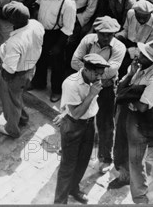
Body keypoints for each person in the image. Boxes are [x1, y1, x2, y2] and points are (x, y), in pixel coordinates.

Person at [109, 40, 153, 204]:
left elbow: (142, 107)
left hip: (141, 119)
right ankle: (124, 177)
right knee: (120, 145)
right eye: (141, 53)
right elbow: (119, 89)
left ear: (152, 61)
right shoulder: (136, 68)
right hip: (126, 111)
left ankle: (140, 196)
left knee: (136, 158)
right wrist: (130, 75)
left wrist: (129, 96)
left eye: (143, 55)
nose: (139, 56)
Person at [53, 54, 110, 204]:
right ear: (86, 69)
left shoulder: (93, 80)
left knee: (83, 160)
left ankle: (73, 189)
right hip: (73, 125)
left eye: (101, 73)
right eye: (97, 73)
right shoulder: (71, 84)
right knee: (68, 166)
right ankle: (60, 201)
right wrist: (92, 94)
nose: (100, 77)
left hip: (89, 124)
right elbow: (76, 114)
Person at [71, 16, 125, 173]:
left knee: (106, 124)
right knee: (80, 117)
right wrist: (95, 74)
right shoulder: (88, 41)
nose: (107, 37)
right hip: (85, 84)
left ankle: (106, 157)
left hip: (106, 89)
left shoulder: (119, 48)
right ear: (96, 32)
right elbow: (74, 61)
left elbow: (111, 72)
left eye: (110, 34)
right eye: (103, 34)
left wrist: (89, 70)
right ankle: (76, 149)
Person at [0, 2, 45, 138]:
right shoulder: (36, 24)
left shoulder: (15, 42)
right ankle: (22, 118)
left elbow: (9, 71)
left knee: (9, 101)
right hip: (30, 68)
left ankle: (12, 129)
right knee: (17, 97)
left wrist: (1, 60)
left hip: (16, 74)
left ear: (12, 21)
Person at [31, 0, 77, 102]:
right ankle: (38, 83)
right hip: (41, 30)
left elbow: (68, 28)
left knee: (57, 64)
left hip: (57, 35)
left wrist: (58, 45)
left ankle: (56, 90)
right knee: (40, 59)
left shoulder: (69, 3)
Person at [65, 0, 101, 72]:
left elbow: (91, 8)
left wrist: (78, 21)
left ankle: (70, 68)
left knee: (72, 41)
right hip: (65, 11)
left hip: (81, 15)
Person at [116, 0, 153, 79]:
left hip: (143, 52)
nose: (141, 20)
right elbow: (126, 30)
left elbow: (148, 51)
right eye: (139, 17)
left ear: (150, 14)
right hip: (129, 42)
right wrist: (118, 36)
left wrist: (126, 50)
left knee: (125, 63)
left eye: (145, 18)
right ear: (134, 12)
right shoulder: (130, 14)